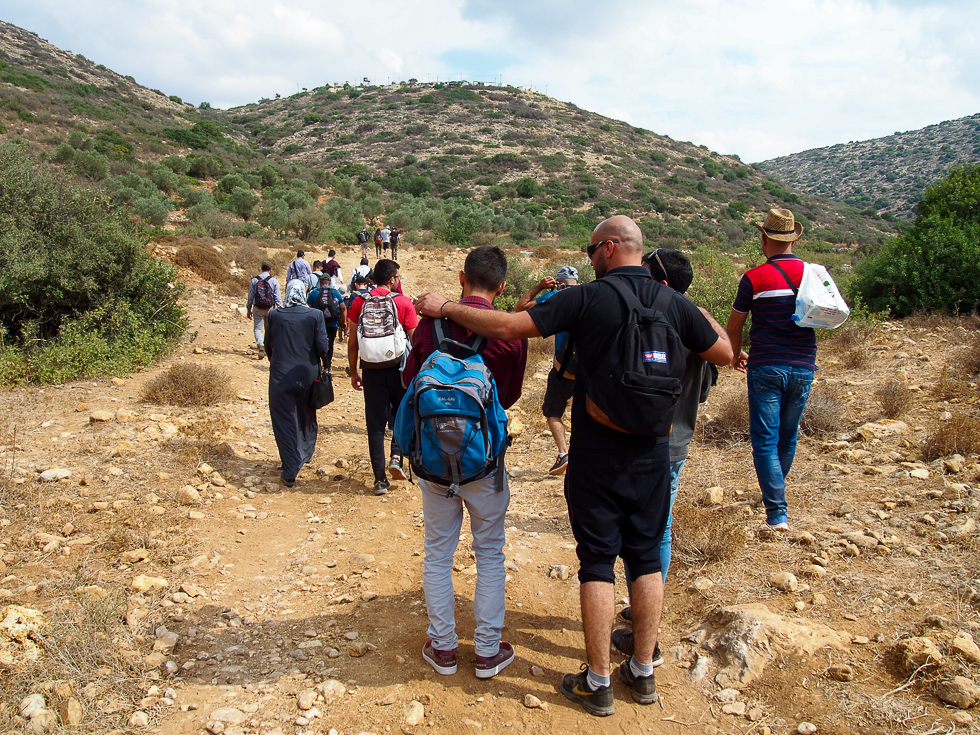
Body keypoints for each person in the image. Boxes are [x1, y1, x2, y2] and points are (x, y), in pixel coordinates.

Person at [414, 216, 732, 716]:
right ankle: (643, 672)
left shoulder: (588, 297)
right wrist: (692, 307)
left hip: (598, 451)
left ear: (608, 248)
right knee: (646, 558)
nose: (588, 258)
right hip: (653, 450)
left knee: (598, 562)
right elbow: (726, 351)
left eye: (590, 250)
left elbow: (508, 325)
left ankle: (598, 680)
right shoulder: (674, 303)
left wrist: (444, 308)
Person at [403, 246, 528, 680]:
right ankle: (489, 652)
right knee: (489, 552)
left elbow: (409, 383)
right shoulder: (510, 334)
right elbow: (507, 397)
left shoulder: (430, 325)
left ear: (461, 278)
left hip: (434, 462)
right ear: (502, 287)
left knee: (438, 554)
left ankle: (443, 649)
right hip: (485, 461)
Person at [612, 248, 720, 658]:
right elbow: (706, 385)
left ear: (658, 281)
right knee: (661, 529)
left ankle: (645, 636)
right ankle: (643, 615)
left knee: (632, 534)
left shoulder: (652, 319)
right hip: (677, 442)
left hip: (638, 442)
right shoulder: (697, 323)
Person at [726, 208, 815, 534]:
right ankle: (773, 495)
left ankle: (776, 512)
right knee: (787, 437)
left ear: (764, 239)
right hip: (804, 365)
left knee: (765, 441)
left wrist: (736, 355)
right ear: (794, 239)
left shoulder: (753, 277)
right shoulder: (813, 274)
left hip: (765, 366)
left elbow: (735, 326)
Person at [347, 259, 419, 495]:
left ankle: (379, 480)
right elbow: (416, 342)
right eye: (397, 277)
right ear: (392, 279)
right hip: (399, 369)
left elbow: (352, 343)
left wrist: (354, 371)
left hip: (371, 371)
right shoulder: (403, 302)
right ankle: (396, 458)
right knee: (401, 416)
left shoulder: (358, 301)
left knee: (375, 425)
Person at [514, 265, 580, 475]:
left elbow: (520, 307)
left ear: (559, 282)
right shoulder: (588, 294)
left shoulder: (554, 296)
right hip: (590, 370)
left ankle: (563, 453)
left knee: (553, 413)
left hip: (562, 368)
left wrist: (539, 286)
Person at [265, 280, 330, 487]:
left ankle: (290, 466)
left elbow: (269, 346)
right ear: (303, 293)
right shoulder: (315, 315)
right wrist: (324, 365)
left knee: (283, 419)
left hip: (280, 375)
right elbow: (322, 347)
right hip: (307, 375)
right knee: (306, 414)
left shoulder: (274, 315)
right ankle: (304, 452)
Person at [308, 273, 347, 364]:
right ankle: (328, 364)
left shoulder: (314, 293)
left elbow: (308, 308)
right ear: (330, 282)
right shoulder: (335, 292)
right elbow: (343, 307)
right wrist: (344, 321)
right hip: (333, 323)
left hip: (318, 324)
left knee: (317, 343)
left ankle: (320, 363)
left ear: (319, 282)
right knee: (330, 344)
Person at [246, 261, 282, 356]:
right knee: (268, 328)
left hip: (258, 307)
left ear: (261, 268)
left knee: (258, 329)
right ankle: (268, 348)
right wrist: (281, 308)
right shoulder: (273, 281)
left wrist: (249, 309)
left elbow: (250, 296)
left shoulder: (254, 280)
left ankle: (260, 344)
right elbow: (277, 296)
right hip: (270, 308)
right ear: (270, 269)